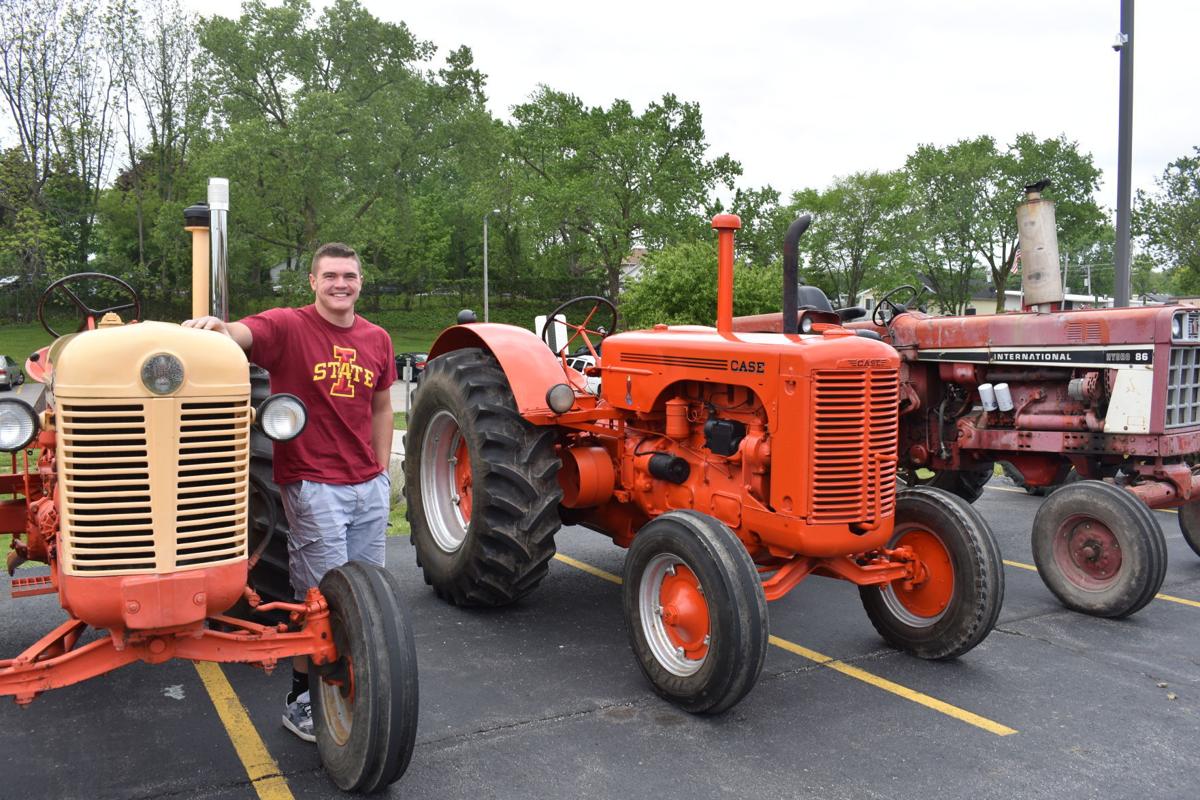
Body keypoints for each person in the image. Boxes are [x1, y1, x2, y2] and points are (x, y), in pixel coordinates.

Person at [184, 242, 395, 742]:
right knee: (318, 598)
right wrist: (218, 328)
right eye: (330, 276)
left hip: (367, 485)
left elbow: (382, 407)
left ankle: (353, 682)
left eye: (349, 276)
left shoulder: (377, 338)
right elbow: (244, 333)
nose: (340, 284)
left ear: (360, 281)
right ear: (313, 282)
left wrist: (382, 470)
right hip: (313, 484)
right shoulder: (290, 326)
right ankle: (300, 696)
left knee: (366, 594)